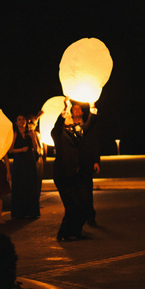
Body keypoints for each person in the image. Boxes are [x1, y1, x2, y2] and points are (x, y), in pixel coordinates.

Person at [51, 99, 94, 241]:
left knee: (83, 206)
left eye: (69, 116)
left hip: (76, 175)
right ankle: (63, 234)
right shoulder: (59, 134)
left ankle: (75, 232)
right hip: (63, 176)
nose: (70, 116)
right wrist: (65, 109)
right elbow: (57, 126)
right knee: (72, 207)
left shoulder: (78, 133)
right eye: (68, 116)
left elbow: (88, 126)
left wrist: (92, 108)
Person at [11, 115, 41, 219]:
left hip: (29, 161)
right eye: (19, 119)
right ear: (16, 122)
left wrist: (33, 137)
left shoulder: (30, 133)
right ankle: (19, 212)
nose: (22, 121)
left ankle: (32, 211)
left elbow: (36, 147)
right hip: (19, 161)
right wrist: (21, 150)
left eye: (23, 119)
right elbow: (10, 150)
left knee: (30, 184)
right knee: (20, 184)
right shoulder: (15, 134)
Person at [76, 103, 100, 226]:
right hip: (73, 166)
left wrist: (96, 161)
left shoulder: (88, 126)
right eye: (74, 109)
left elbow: (94, 143)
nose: (76, 111)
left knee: (87, 192)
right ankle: (78, 219)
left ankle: (90, 218)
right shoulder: (67, 127)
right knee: (76, 194)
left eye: (79, 109)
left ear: (82, 113)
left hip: (86, 164)